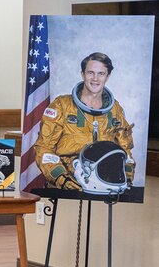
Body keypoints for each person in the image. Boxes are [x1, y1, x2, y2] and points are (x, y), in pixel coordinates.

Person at [34, 52, 135, 190]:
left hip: (105, 180)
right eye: (90, 73)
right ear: (83, 74)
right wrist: (61, 178)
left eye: (101, 73)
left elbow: (125, 150)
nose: (95, 78)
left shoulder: (115, 109)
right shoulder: (62, 105)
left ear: (107, 77)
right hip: (70, 175)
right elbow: (44, 148)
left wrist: (126, 175)